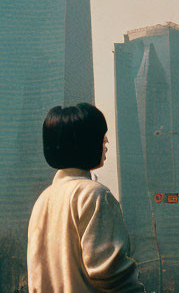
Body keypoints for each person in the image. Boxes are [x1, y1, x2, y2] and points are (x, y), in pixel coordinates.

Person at [27, 103, 144, 293]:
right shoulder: (94, 195)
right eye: (100, 136)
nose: (106, 143)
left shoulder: (43, 200)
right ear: (85, 142)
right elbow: (109, 271)